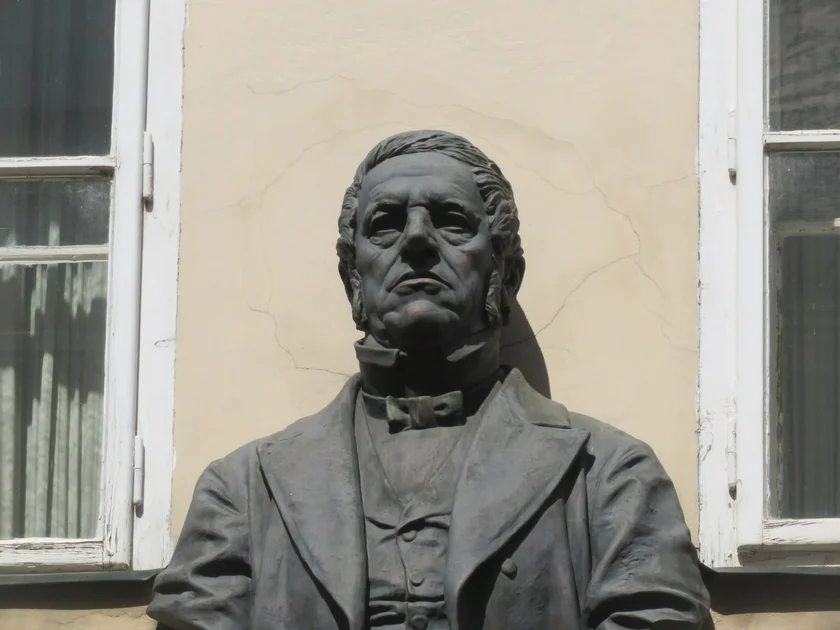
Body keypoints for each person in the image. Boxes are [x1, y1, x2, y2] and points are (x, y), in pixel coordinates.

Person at [147, 130, 710, 630]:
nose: (416, 241)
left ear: (504, 274)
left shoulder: (607, 476)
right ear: (353, 280)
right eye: (386, 225)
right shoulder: (246, 491)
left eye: (451, 221)